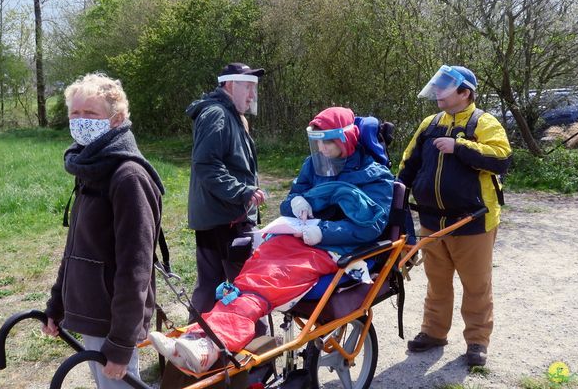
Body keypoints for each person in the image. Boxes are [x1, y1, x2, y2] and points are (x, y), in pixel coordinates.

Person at [149, 107, 394, 373]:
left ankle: (212, 347)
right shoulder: (313, 165)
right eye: (317, 142)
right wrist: (296, 203)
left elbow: (372, 226)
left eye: (327, 141)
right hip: (299, 237)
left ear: (345, 139)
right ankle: (198, 336)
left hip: (335, 247)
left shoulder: (375, 176)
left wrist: (324, 231)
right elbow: (289, 202)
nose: (321, 149)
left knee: (269, 282)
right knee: (248, 276)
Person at [42, 73, 165, 388]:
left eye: (91, 114)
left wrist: (122, 342)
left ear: (116, 119)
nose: (81, 121)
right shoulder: (90, 168)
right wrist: (58, 303)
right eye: (75, 114)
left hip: (113, 319)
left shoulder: (128, 177)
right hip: (91, 308)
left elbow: (136, 268)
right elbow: (75, 247)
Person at [397, 65, 512, 367]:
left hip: (473, 221)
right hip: (432, 221)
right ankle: (434, 333)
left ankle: (477, 342)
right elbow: (408, 163)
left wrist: (459, 146)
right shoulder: (429, 123)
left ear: (465, 93)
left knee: (476, 286)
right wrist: (396, 199)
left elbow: (502, 159)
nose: (438, 92)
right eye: (437, 86)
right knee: (437, 282)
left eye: (445, 87)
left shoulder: (484, 122)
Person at [185, 62, 267, 322]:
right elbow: (206, 164)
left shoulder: (228, 114)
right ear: (230, 85)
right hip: (227, 218)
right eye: (248, 87)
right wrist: (241, 191)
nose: (252, 95)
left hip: (220, 216)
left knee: (210, 288)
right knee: (248, 287)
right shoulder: (218, 114)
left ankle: (197, 351)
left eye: (254, 89)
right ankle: (257, 357)